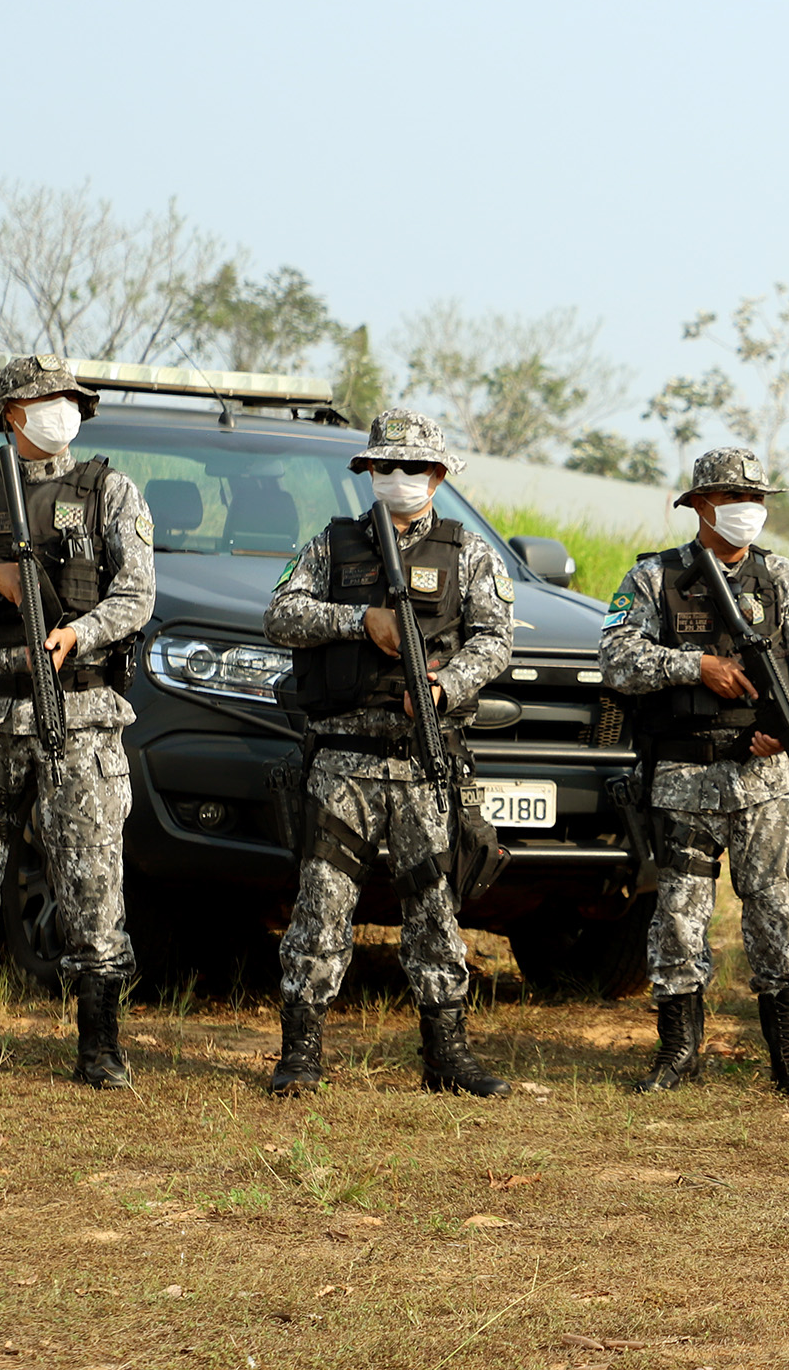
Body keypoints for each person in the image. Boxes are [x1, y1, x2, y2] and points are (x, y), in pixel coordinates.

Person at [0, 354, 156, 1087]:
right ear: (11, 414)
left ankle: (99, 1045)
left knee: (93, 876)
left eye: (69, 399)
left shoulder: (108, 490)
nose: (61, 410)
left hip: (79, 713)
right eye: (46, 399)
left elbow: (137, 595)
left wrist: (82, 634)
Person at [262, 409, 514, 1098]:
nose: (399, 479)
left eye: (414, 468)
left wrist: (443, 686)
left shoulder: (468, 552)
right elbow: (280, 612)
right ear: (369, 473)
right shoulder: (332, 544)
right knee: (321, 906)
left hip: (422, 759)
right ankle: (301, 1055)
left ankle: (446, 1056)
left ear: (438, 476)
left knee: (434, 907)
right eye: (386, 467)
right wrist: (357, 621)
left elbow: (496, 640)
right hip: (343, 756)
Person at [598, 448, 789, 1098]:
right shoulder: (654, 578)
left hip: (765, 781)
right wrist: (694, 667)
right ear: (702, 505)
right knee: (678, 916)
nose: (749, 511)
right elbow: (616, 658)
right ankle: (678, 1055)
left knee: (776, 913)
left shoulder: (782, 578)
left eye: (757, 499)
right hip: (683, 775)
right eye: (735, 499)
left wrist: (787, 730)